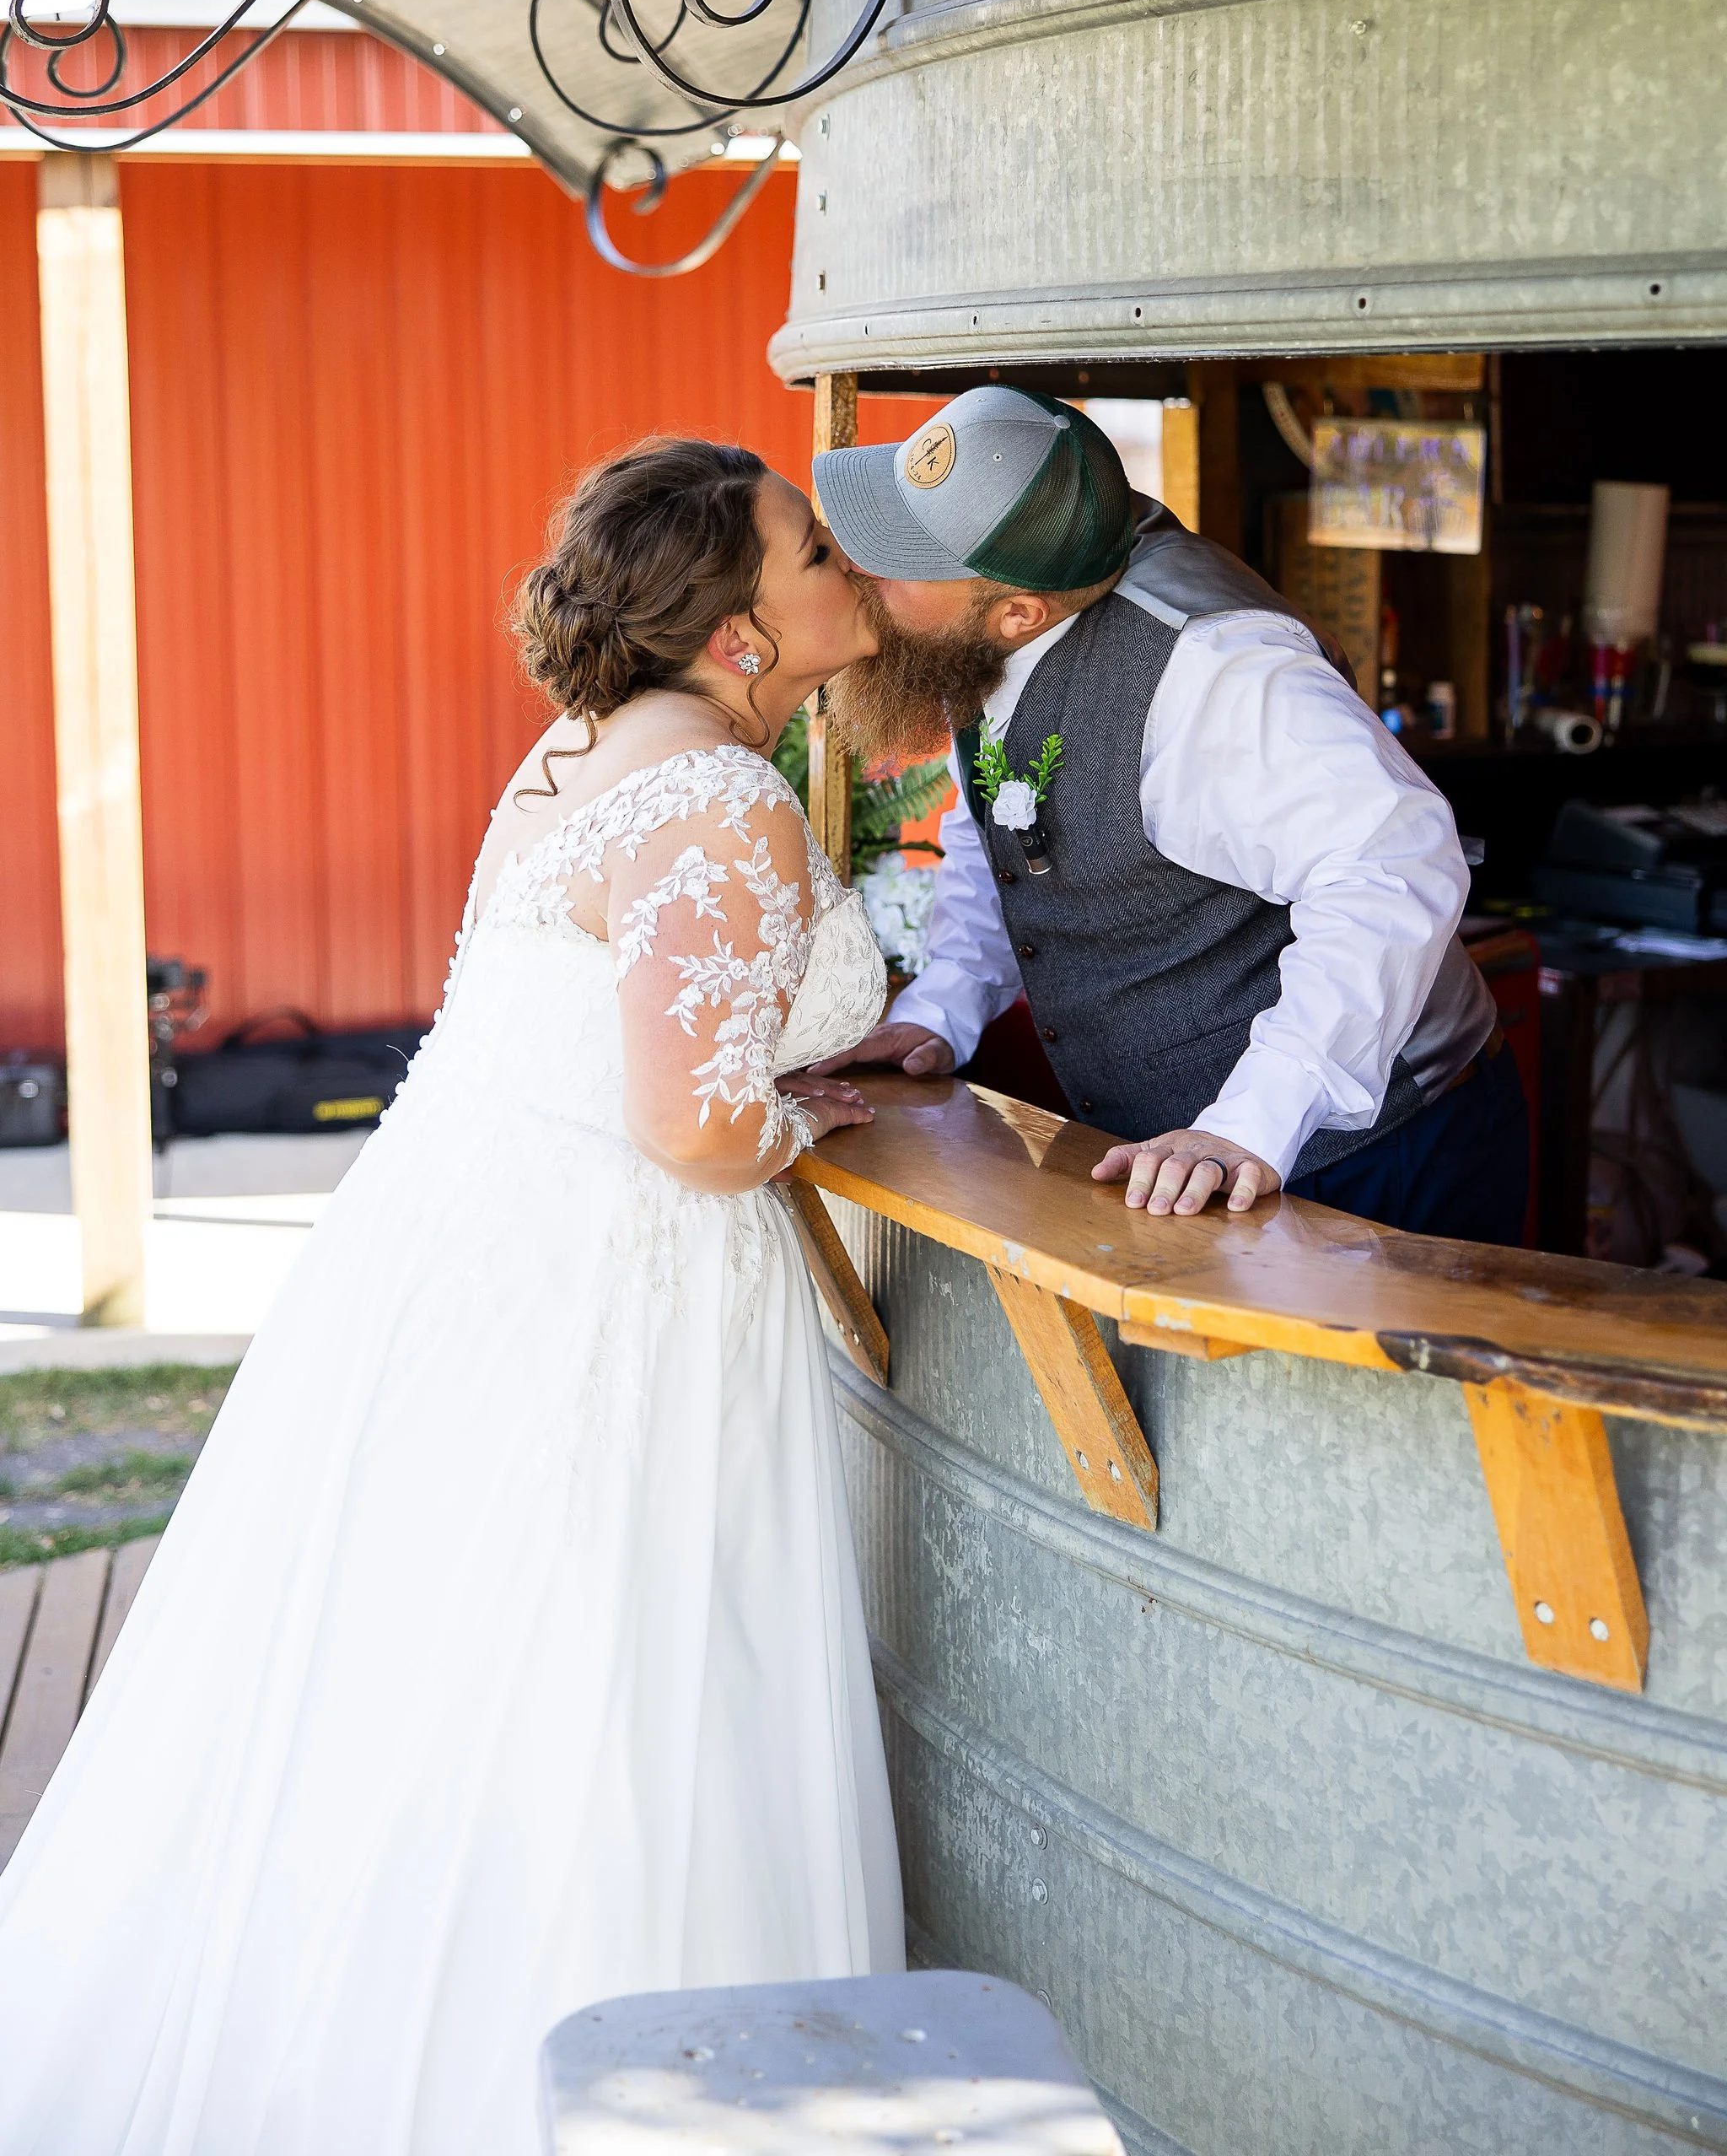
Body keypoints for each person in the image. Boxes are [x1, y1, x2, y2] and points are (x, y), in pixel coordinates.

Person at [0, 440, 902, 2156]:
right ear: (736, 633)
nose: (839, 562)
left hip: (465, 1247)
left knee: (449, 1677)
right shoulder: (718, 793)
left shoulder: (583, 754)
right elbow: (696, 1127)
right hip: (606, 1292)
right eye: (806, 547)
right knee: (610, 1686)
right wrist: (804, 1110)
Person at [813, 385, 1527, 1244]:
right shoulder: (987, 617)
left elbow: (1395, 860)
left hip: (1374, 1154)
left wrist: (1252, 1121)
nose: (859, 570)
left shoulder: (1216, 673)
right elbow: (998, 829)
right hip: (1204, 1172)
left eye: (905, 561)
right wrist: (943, 1005)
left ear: (1018, 613)